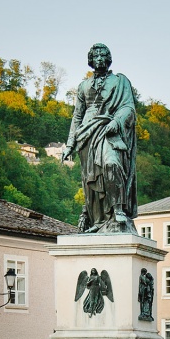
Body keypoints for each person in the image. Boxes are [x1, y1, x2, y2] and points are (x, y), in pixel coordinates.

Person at [62, 43, 138, 235]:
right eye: (95, 56)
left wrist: (118, 121)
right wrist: (70, 144)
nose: (99, 58)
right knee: (91, 179)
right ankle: (98, 220)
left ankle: (118, 209)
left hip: (110, 129)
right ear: (90, 60)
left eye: (103, 55)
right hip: (86, 134)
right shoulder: (83, 86)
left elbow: (129, 108)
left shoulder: (120, 82)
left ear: (108, 58)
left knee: (111, 163)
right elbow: (77, 116)